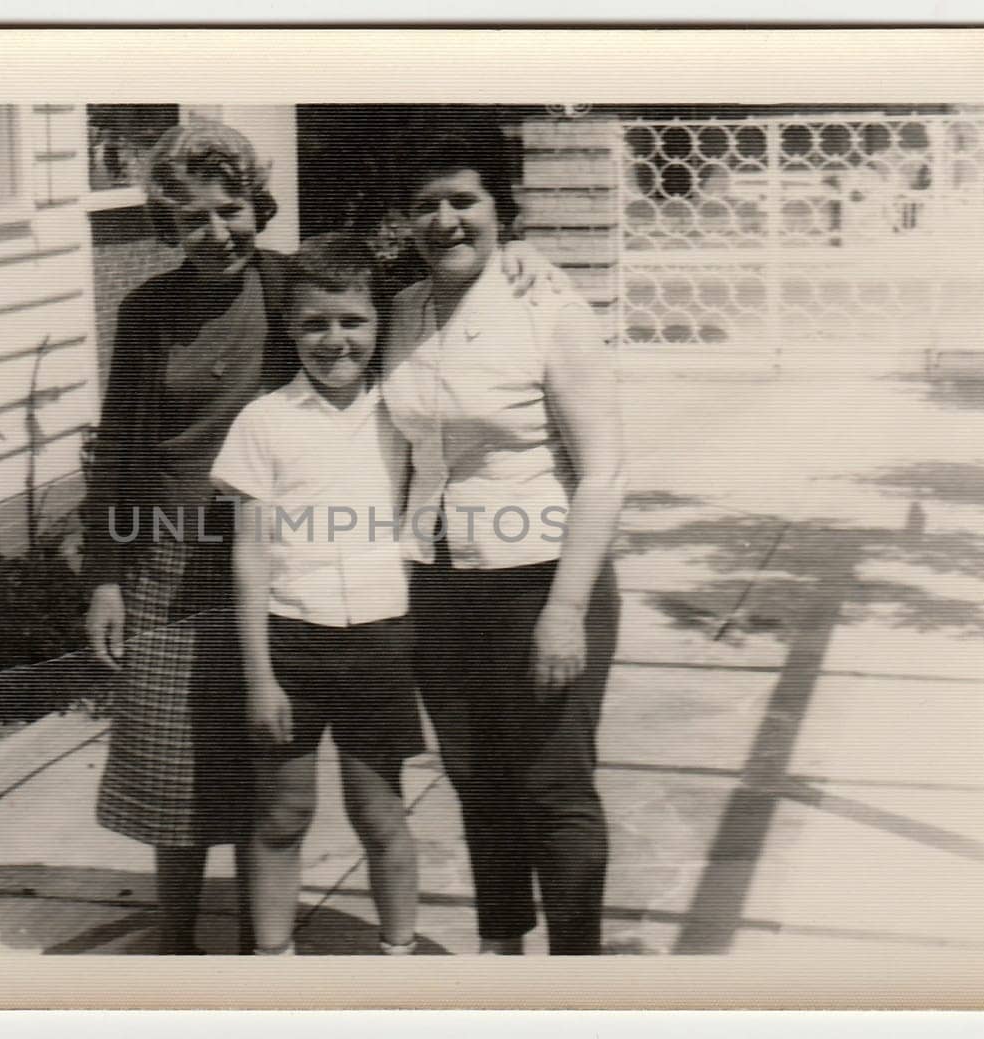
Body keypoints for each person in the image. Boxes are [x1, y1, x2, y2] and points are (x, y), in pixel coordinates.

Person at [80, 119, 566, 955]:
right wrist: (104, 573)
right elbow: (118, 444)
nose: (216, 231)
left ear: (257, 207)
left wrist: (518, 257)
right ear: (167, 225)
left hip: (290, 561)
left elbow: (413, 288)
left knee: (278, 765)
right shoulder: (148, 310)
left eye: (230, 209)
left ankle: (268, 941)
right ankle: (175, 937)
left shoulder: (291, 289)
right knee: (180, 758)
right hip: (171, 550)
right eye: (192, 219)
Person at [383, 127, 627, 956]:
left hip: (542, 580)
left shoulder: (550, 307)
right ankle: (501, 946)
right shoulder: (402, 312)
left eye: (465, 200)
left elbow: (604, 472)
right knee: (475, 775)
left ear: (501, 211)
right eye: (426, 204)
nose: (445, 220)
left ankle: (577, 972)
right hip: (439, 582)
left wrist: (565, 610)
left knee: (553, 784)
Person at [211, 233, 421, 957]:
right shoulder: (264, 421)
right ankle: (274, 969)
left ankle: (399, 960)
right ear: (290, 329)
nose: (335, 340)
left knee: (380, 812)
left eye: (353, 321)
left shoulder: (405, 413)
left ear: (378, 324)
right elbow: (249, 552)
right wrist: (259, 674)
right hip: (293, 642)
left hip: (380, 640)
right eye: (314, 324)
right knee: (283, 813)